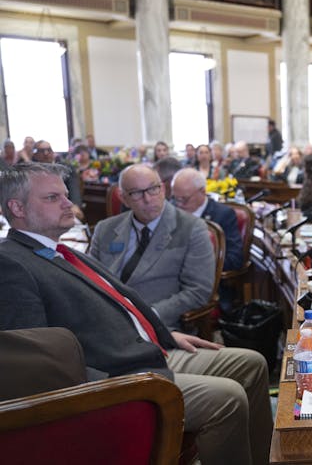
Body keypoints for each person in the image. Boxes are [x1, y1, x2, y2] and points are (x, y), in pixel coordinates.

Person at [0, 162, 272, 465]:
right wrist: (114, 386)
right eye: (53, 198)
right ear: (17, 207)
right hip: (118, 374)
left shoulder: (60, 251)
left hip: (145, 344)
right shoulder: (12, 264)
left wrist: (157, 331)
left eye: (66, 195)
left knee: (252, 363)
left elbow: (114, 302)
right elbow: (35, 367)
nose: (70, 204)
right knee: (228, 398)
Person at [89, 164, 214, 332]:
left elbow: (198, 291)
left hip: (154, 325)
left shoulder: (192, 228)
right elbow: (90, 280)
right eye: (136, 193)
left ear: (162, 189)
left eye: (153, 189)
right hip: (104, 320)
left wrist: (150, 314)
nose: (148, 199)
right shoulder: (105, 229)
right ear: (123, 198)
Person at [172, 168, 243, 271]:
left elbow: (235, 260)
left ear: (202, 192)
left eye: (184, 199)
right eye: (175, 198)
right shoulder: (171, 209)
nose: (179, 204)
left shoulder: (223, 215)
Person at [30, 140, 84, 221]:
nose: (46, 153)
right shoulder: (30, 171)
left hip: (64, 208)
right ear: (35, 155)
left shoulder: (66, 168)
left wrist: (75, 205)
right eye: (42, 151)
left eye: (49, 150)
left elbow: (74, 188)